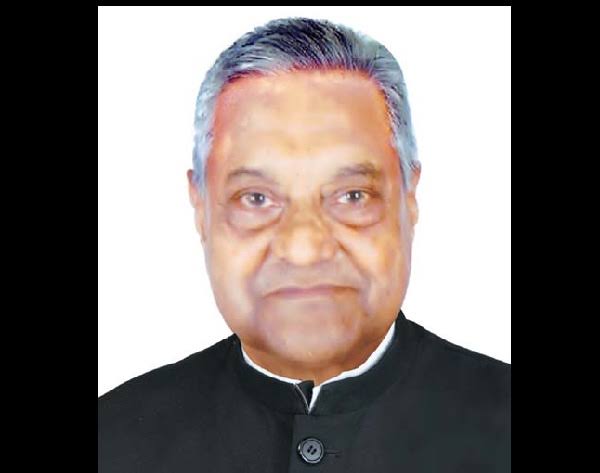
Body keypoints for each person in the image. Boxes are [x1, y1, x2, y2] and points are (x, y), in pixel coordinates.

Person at [98, 17, 510, 472]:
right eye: (256, 198)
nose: (304, 249)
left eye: (352, 196)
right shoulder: (112, 439)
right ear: (201, 207)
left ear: (409, 198)